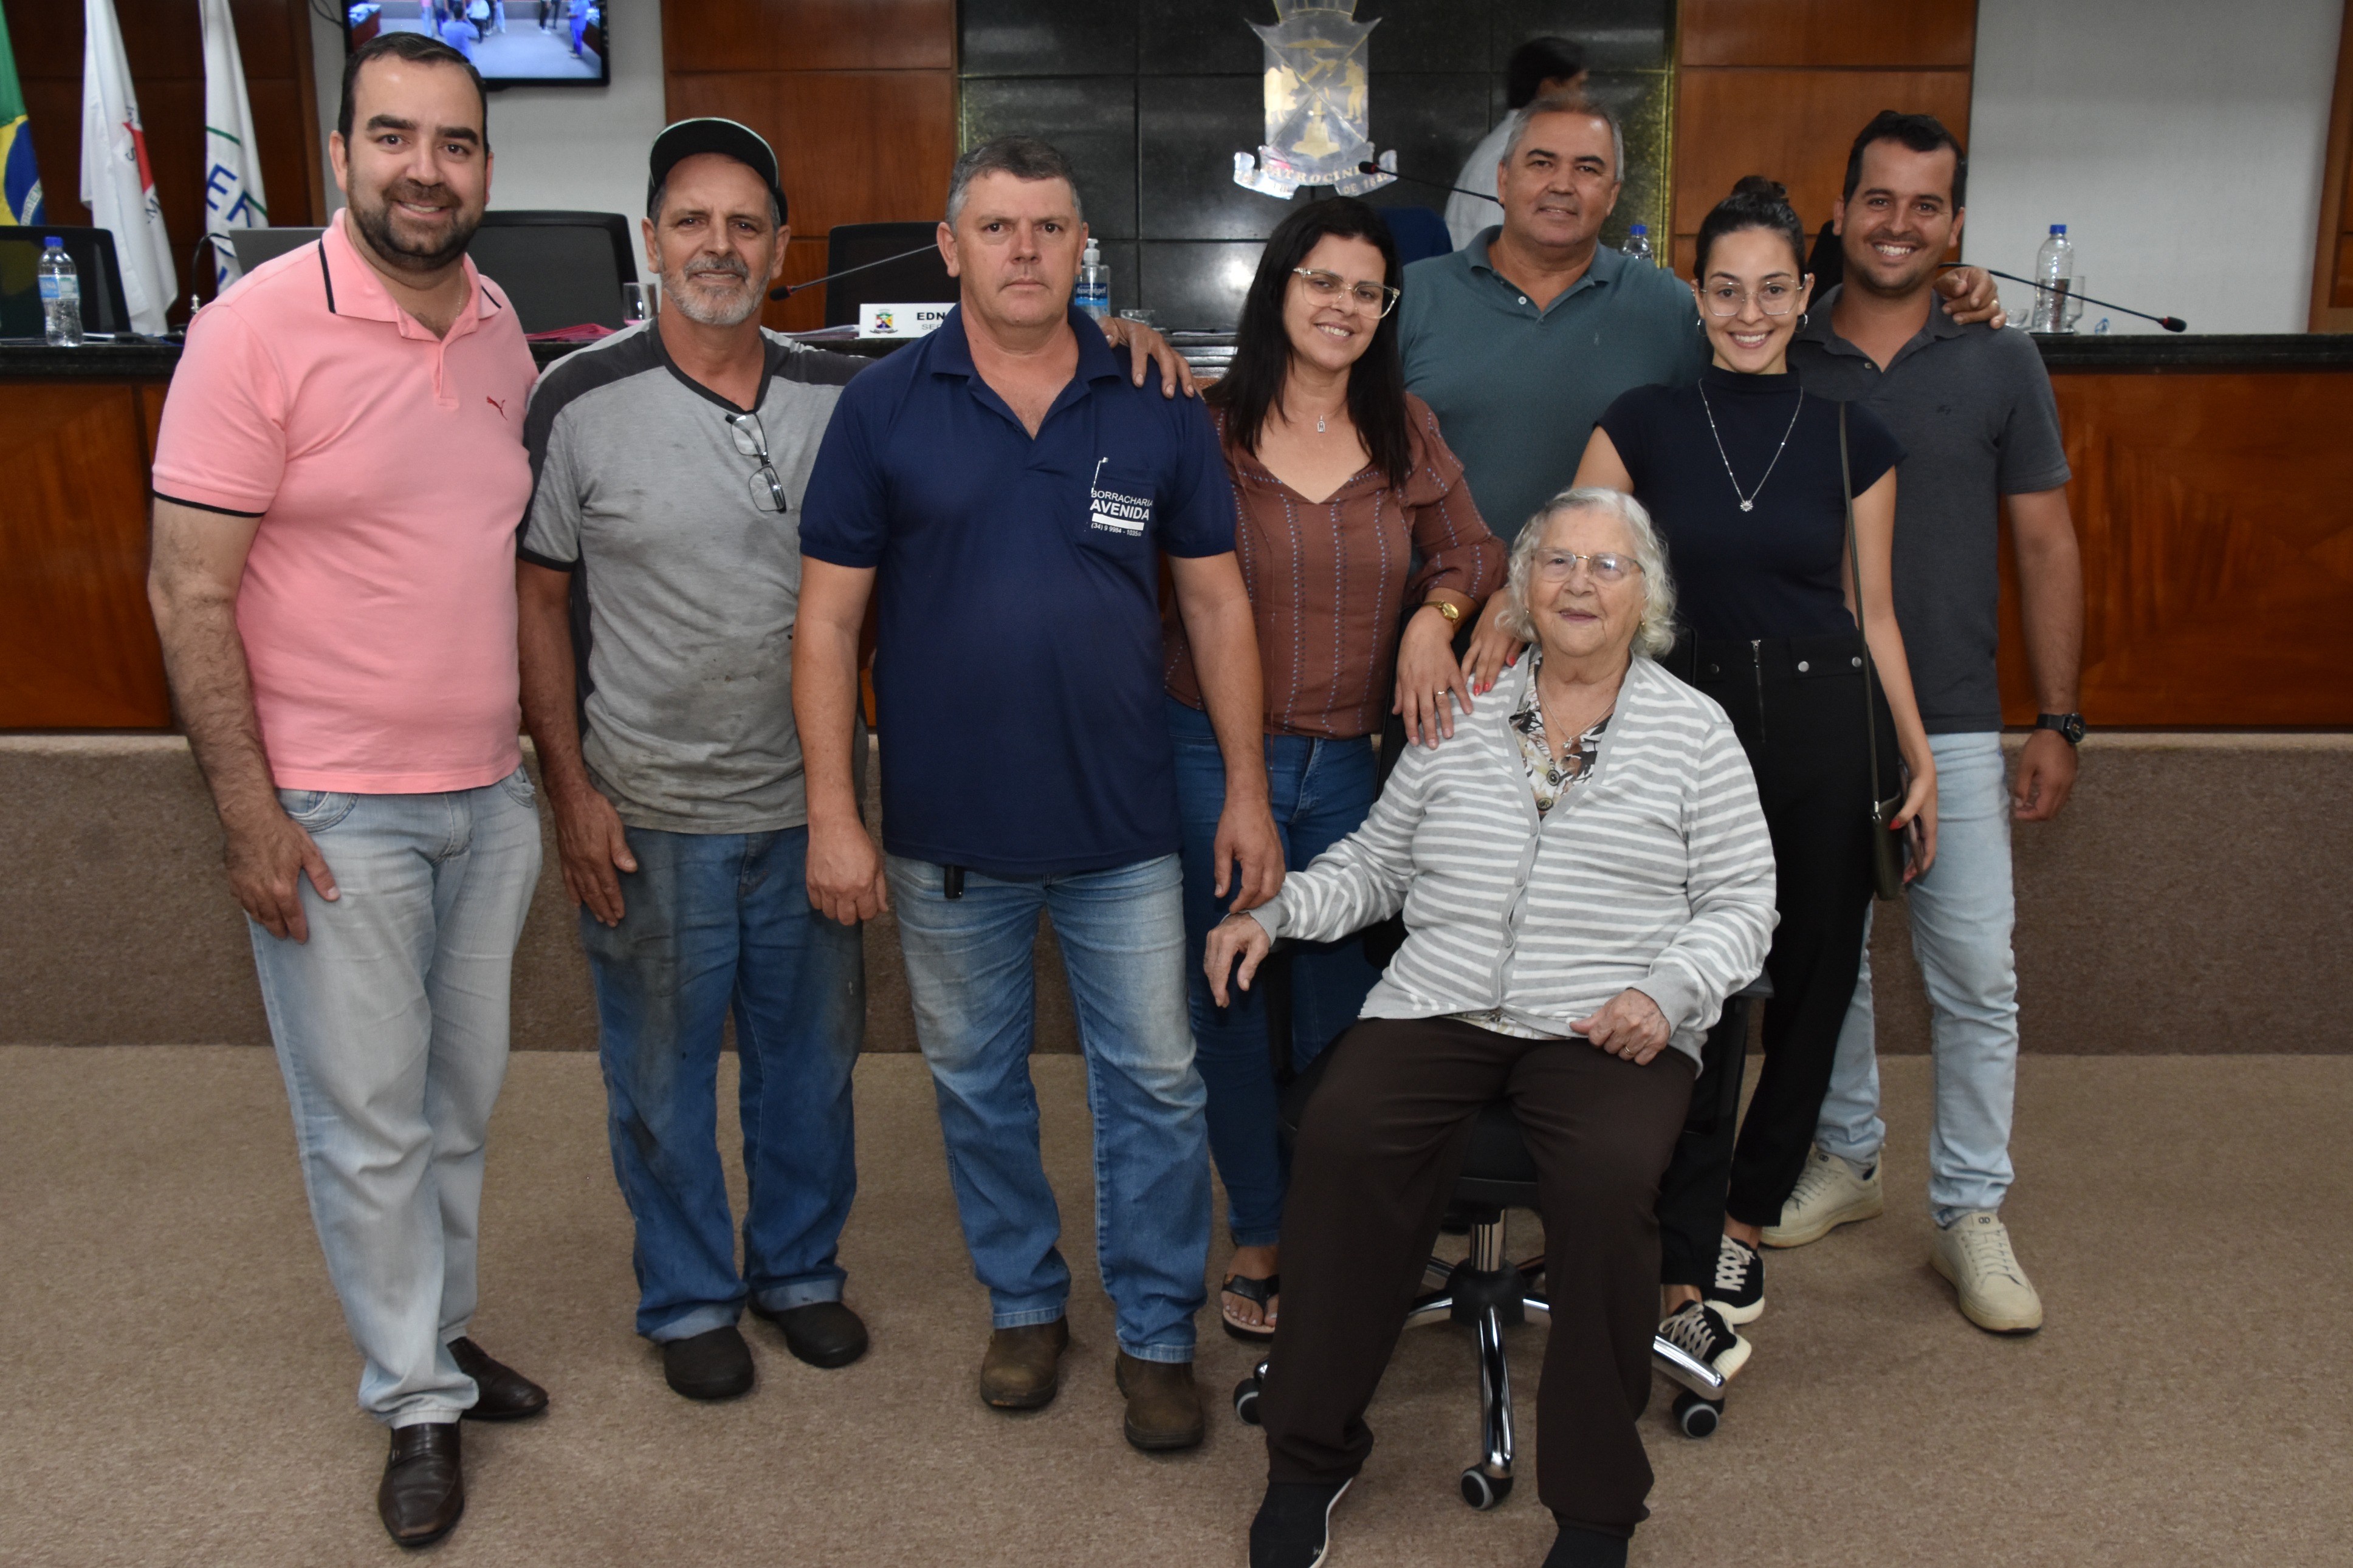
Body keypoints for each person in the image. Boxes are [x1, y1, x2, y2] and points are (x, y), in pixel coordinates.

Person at [794, 135, 1279, 1454]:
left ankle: (1156, 1332)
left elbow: (1216, 604)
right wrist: (835, 810)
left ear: (1082, 250)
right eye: (998, 227)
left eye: (1050, 227)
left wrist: (1244, 788)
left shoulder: (1154, 399)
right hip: (947, 836)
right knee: (976, 1082)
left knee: (1158, 1085)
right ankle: (1023, 1303)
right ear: (949, 247)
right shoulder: (882, 407)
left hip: (1122, 827)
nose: (1024, 251)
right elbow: (827, 624)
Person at [1215, 488, 1776, 1568]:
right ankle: (1309, 1459)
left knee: (1609, 1182)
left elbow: (1744, 903)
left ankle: (1596, 1510)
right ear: (1522, 588)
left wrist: (1665, 994)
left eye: (1607, 566)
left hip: (1606, 1019)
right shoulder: (1461, 710)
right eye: (1557, 562)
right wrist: (1274, 916)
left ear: (1646, 596)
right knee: (1342, 1134)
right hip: (1443, 998)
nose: (1579, 584)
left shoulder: (1695, 732)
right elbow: (1378, 865)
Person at [145, 33, 541, 1549]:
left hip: (486, 800)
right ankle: (413, 1395)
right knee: (369, 1120)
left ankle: (440, 1331)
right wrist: (250, 815)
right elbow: (189, 590)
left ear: (484, 168)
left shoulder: (502, 328)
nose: (424, 170)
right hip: (332, 813)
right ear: (340, 153)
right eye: (394, 137)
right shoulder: (250, 332)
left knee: (456, 1105)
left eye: (454, 143)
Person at [514, 120, 875, 1403]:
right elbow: (537, 601)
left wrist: (1123, 340)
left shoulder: (845, 396)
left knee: (811, 1070)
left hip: (808, 805)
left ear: (780, 249)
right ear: (652, 241)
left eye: (744, 224)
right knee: (659, 1079)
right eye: (691, 221)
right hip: (649, 810)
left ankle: (798, 1273)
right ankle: (687, 1297)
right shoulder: (577, 399)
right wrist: (570, 793)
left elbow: (996, 368)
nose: (717, 246)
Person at [1556, 175, 1940, 1382]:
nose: (1749, 312)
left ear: (1803, 294)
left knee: (1816, 982)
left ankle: (1741, 1220)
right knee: (1695, 982)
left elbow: (1874, 613)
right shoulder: (1640, 421)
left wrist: (1916, 755)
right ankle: (1673, 1212)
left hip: (1828, 724)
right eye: (1725, 289)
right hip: (1685, 724)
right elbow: (1574, 576)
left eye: (1773, 290)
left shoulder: (1854, 436)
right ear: (1696, 294)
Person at [1164, 197, 1506, 1342]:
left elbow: (1473, 552)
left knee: (1343, 1012)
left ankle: (1335, 1222)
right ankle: (1261, 1228)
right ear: (1279, 288)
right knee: (1226, 994)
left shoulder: (1403, 428)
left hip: (1353, 768)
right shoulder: (1207, 426)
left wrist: (1434, 620)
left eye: (1368, 291)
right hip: (1214, 755)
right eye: (1323, 281)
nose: (1344, 307)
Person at [1779, 112, 2082, 1335]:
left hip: (1951, 714)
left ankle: (1968, 1207)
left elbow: (2046, 544)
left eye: (1924, 205)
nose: (1897, 225)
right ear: (1840, 210)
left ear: (1956, 225)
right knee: (1828, 959)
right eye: (1878, 199)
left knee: (1974, 973)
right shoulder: (1783, 346)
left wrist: (2058, 718)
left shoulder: (1999, 359)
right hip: (1810, 709)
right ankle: (1846, 1154)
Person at [1407, 91, 2004, 574]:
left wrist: (1943, 286)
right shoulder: (1411, 297)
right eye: (1541, 163)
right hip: (1433, 623)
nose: (1562, 184)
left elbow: (1764, 354)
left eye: (1587, 169)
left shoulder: (1668, 306)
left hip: (1603, 632)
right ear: (1502, 179)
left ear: (1613, 196)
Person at [1443, 36, 1587, 252]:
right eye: (1579, 86)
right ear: (1549, 88)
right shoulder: (1509, 153)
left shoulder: (1518, 144)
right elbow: (1494, 256)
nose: (1583, 99)